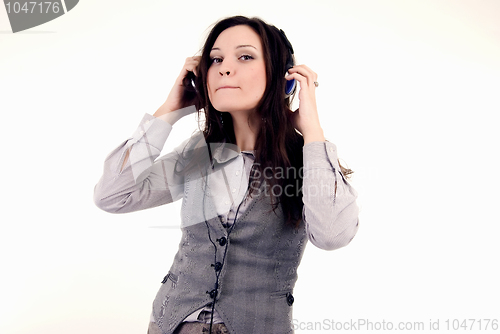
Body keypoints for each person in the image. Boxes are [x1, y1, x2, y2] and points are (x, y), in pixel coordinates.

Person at [94, 15, 359, 334]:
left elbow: (332, 235)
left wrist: (313, 129)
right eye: (215, 59)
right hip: (170, 325)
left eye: (245, 56)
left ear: (283, 76)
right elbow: (112, 196)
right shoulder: (198, 151)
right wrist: (170, 109)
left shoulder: (309, 160)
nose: (224, 67)